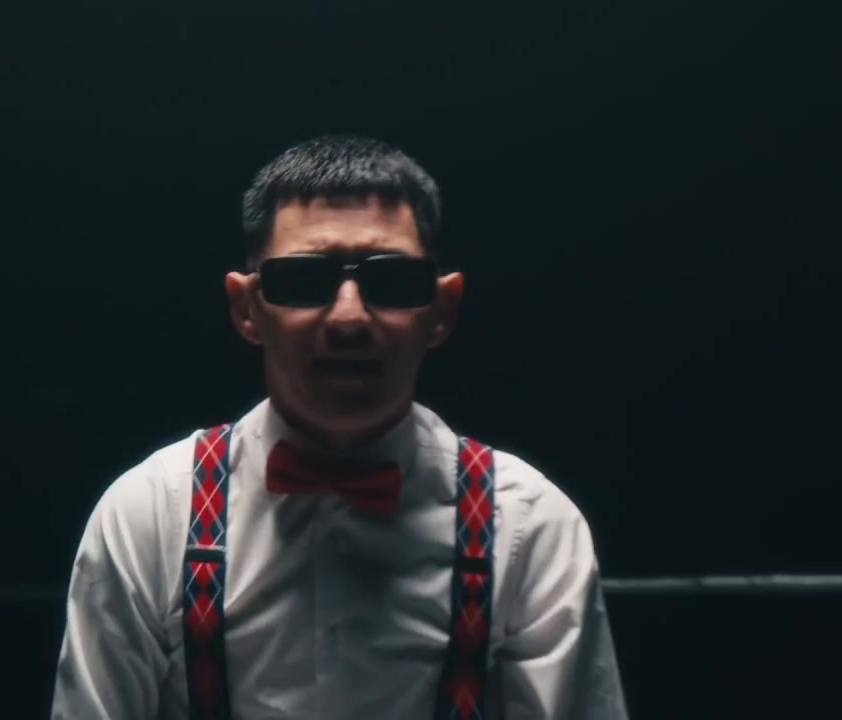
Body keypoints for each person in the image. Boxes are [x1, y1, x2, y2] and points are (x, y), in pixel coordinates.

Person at [50, 134, 628, 719]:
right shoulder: (149, 515)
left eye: (391, 281)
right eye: (304, 280)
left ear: (442, 309)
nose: (349, 317)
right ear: (246, 308)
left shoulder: (532, 526)